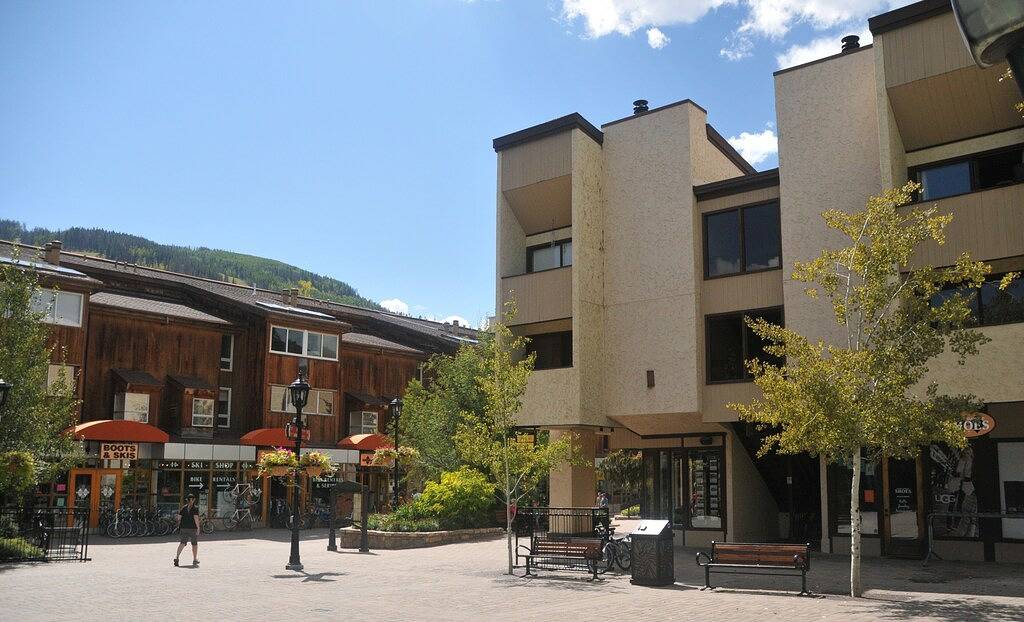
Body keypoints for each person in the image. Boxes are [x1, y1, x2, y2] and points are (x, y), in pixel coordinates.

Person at [174, 494, 201, 567]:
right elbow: (196, 519)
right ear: (193, 500)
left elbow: (178, 518)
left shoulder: (183, 508)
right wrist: (198, 528)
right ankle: (195, 559)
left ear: (187, 500)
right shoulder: (195, 508)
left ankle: (177, 557)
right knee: (194, 544)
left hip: (183, 528)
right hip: (192, 529)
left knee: (182, 543)